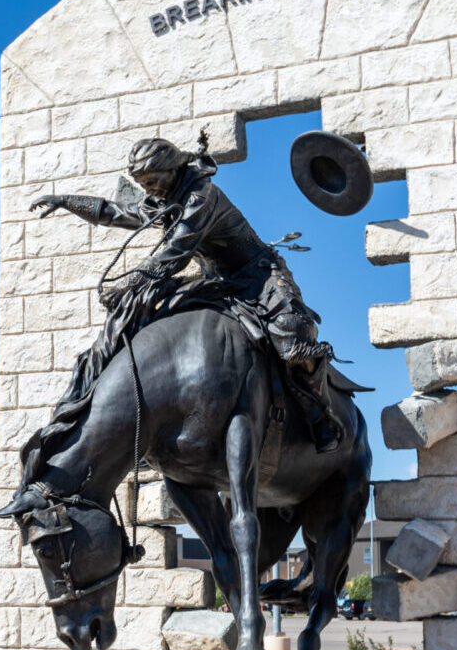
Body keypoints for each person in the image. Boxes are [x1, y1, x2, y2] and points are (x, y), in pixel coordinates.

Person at [29, 136, 344, 452]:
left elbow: (176, 254)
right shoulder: (166, 198)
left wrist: (128, 284)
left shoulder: (199, 198)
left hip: (259, 275)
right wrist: (66, 201)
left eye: (153, 180)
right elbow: (116, 212)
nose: (149, 188)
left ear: (173, 169)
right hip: (218, 281)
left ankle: (322, 417)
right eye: (143, 183)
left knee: (291, 337)